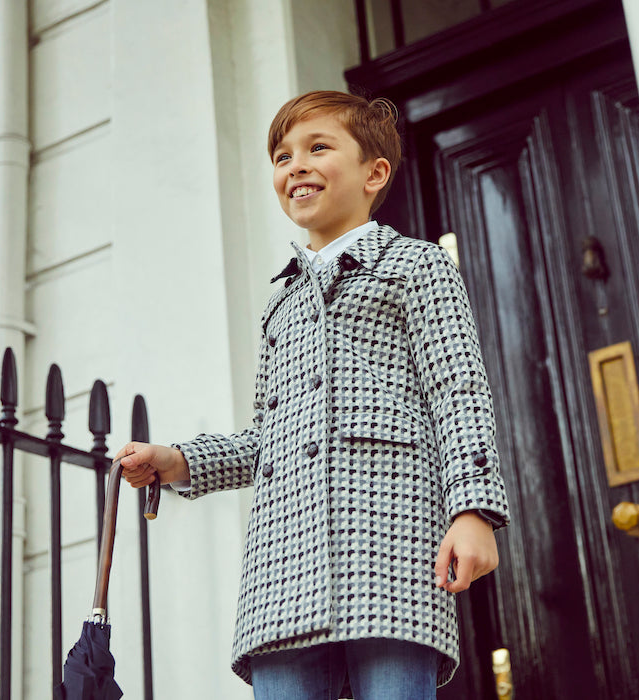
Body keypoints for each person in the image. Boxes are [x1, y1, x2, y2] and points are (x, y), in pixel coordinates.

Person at [115, 90, 510, 700]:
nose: (294, 164)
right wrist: (179, 461)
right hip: (283, 567)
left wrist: (473, 511)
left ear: (374, 173)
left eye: (317, 148)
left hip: (394, 548)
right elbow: (264, 435)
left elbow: (458, 392)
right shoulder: (280, 302)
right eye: (281, 156)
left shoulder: (417, 266)